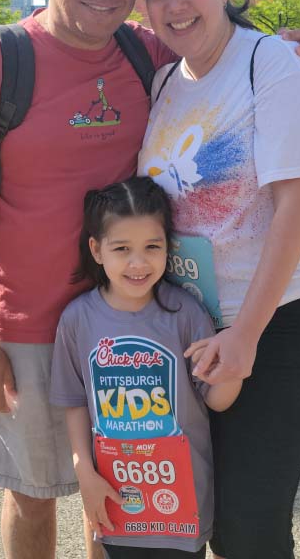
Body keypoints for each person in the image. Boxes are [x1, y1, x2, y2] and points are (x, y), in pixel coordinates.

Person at [0, 0, 300, 559]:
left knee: (122, 496)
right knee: (31, 494)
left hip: (140, 312)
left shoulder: (146, 54)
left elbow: (229, 52)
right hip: (26, 325)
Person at [138, 0, 300, 559]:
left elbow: (298, 203)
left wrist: (246, 336)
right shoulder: (166, 83)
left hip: (276, 320)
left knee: (250, 529)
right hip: (188, 321)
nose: (176, 4)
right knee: (188, 512)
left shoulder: (274, 63)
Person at [51, 176, 241, 558]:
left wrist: (234, 362)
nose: (138, 262)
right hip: (116, 500)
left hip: (181, 505)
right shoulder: (77, 319)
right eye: (122, 248)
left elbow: (217, 401)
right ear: (97, 250)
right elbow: (74, 402)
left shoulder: (186, 313)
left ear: (167, 249)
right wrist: (83, 471)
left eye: (151, 247)